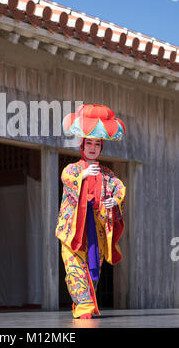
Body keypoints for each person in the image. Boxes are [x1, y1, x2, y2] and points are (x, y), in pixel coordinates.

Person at [57, 104, 126, 319]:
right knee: (75, 270)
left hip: (95, 231)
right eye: (89, 143)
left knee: (93, 270)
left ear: (101, 147)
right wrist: (84, 175)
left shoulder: (107, 173)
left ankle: (85, 305)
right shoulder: (72, 169)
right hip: (74, 232)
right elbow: (67, 180)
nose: (93, 147)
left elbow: (119, 189)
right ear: (82, 144)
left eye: (97, 143)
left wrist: (114, 201)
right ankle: (84, 306)